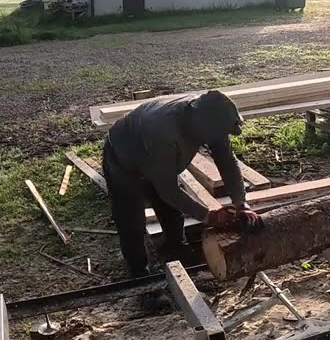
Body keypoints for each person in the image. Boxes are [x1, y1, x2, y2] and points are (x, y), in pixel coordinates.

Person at [103, 90, 263, 277]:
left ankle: (177, 250)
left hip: (157, 156)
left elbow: (227, 162)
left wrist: (241, 203)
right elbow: (169, 190)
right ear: (202, 128)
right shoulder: (163, 132)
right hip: (124, 160)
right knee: (131, 220)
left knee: (171, 212)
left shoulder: (211, 118)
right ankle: (140, 276)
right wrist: (208, 217)